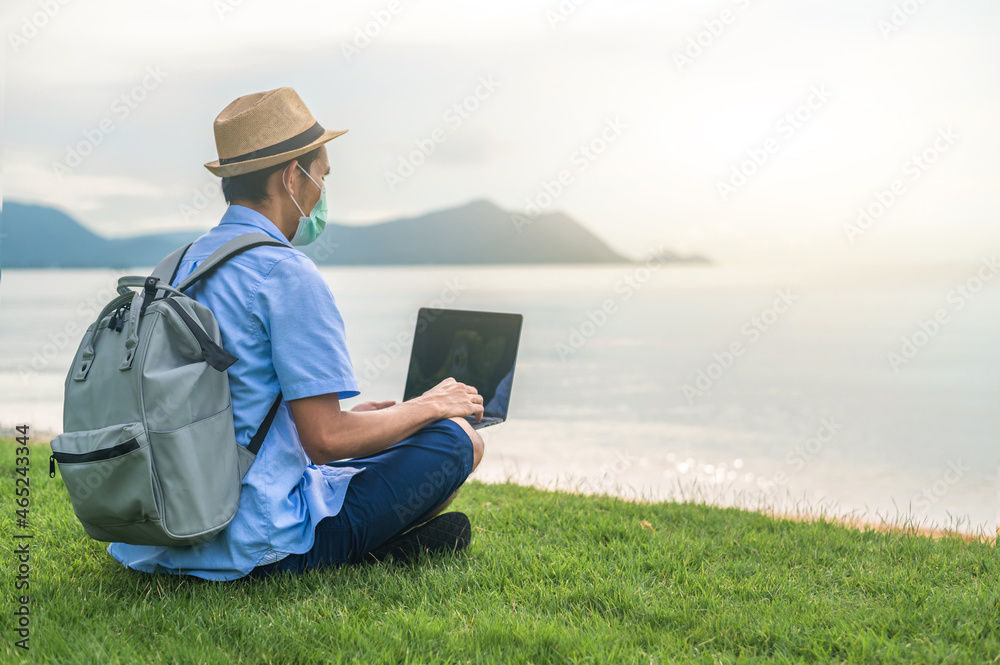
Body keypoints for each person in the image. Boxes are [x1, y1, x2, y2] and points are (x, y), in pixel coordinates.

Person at [107, 87, 486, 581]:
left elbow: (225, 406)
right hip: (251, 543)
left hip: (159, 534)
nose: (322, 191)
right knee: (458, 438)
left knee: (382, 443)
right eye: (322, 176)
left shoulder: (178, 266)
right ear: (293, 177)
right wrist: (429, 405)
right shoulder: (285, 273)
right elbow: (326, 440)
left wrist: (357, 416)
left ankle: (387, 543)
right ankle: (375, 547)